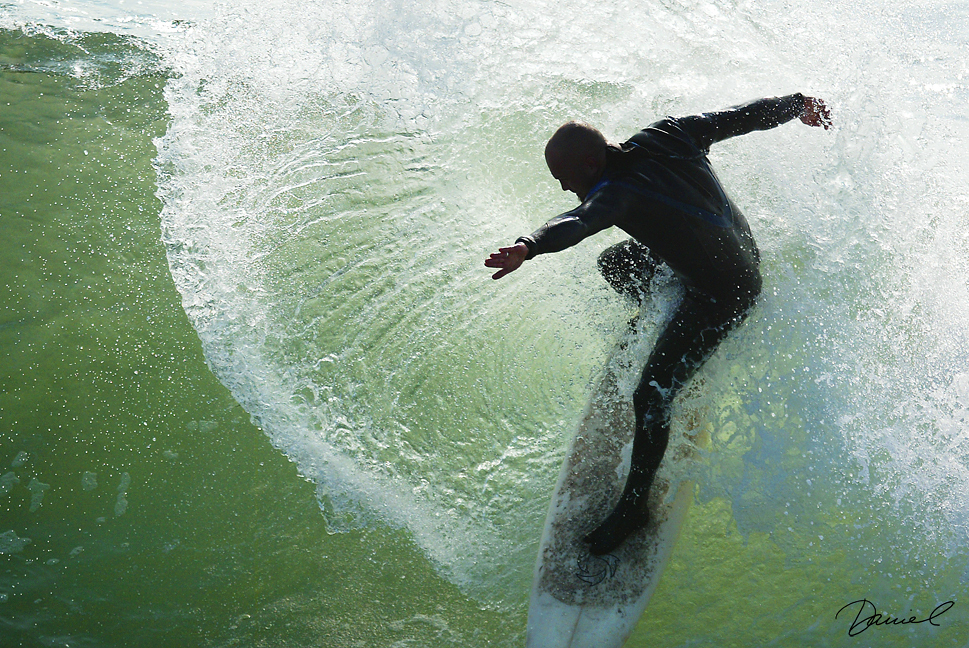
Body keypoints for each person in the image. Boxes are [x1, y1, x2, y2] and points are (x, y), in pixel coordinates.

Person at [485, 94, 831, 555]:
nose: (565, 188)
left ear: (590, 163)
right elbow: (741, 116)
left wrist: (528, 246)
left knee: (650, 395)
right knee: (615, 264)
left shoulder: (616, 194)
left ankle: (635, 508)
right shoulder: (668, 134)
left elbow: (577, 220)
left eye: (564, 177)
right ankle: (666, 314)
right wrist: (798, 104)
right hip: (742, 253)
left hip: (723, 296)